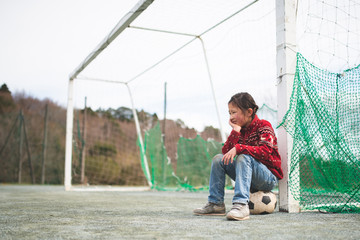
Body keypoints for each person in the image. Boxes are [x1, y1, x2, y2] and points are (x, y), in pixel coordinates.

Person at [193, 92, 283, 221]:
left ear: (249, 112)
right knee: (219, 159)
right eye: (229, 113)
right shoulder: (239, 130)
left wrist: (239, 148)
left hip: (267, 178)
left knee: (244, 156)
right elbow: (226, 152)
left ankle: (241, 205)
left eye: (234, 112)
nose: (231, 117)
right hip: (248, 176)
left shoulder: (264, 126)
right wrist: (235, 131)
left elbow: (266, 151)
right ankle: (216, 204)